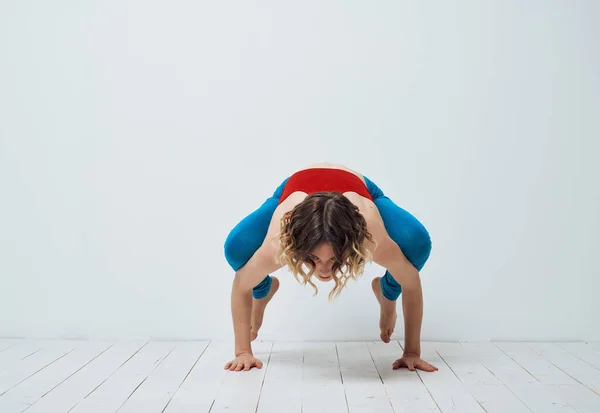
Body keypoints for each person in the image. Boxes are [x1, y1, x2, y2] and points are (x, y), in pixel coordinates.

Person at [223, 162, 438, 373]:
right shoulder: (280, 239)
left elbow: (411, 282)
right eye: (314, 259)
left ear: (352, 245)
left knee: (416, 244)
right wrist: (242, 352)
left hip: (358, 187)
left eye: (335, 260)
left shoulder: (370, 235)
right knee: (237, 249)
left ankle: (387, 291)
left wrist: (412, 351)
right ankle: (263, 290)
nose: (324, 272)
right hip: (296, 186)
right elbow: (242, 284)